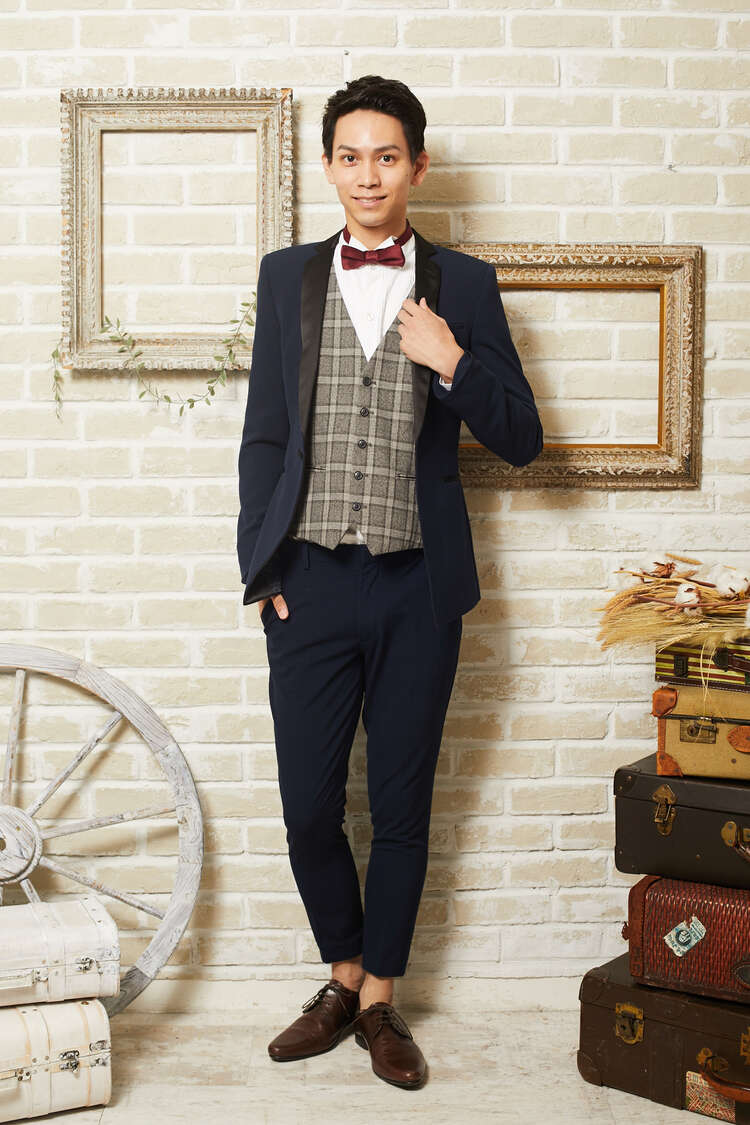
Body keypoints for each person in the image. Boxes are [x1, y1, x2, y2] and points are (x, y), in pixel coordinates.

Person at [236, 74, 543, 1089]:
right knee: (309, 808)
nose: (368, 175)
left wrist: (452, 362)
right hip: (310, 583)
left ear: (417, 165)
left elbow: (524, 437)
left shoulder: (467, 286)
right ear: (329, 166)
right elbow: (265, 438)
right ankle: (340, 971)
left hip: (419, 586)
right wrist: (263, 568)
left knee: (402, 806)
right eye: (350, 156)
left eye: (388, 156)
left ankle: (377, 1000)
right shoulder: (287, 277)